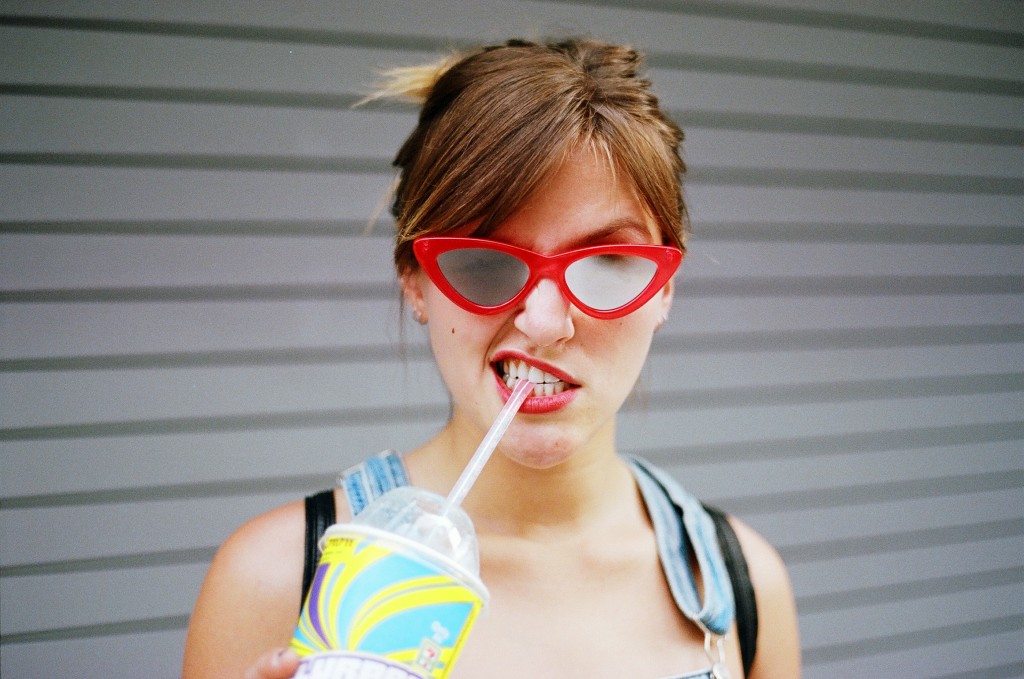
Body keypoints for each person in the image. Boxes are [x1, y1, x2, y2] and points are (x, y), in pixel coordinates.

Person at [182, 37, 801, 679]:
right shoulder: (276, 580)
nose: (545, 323)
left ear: (665, 287)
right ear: (415, 279)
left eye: (607, 262)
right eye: (483, 262)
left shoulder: (743, 584)